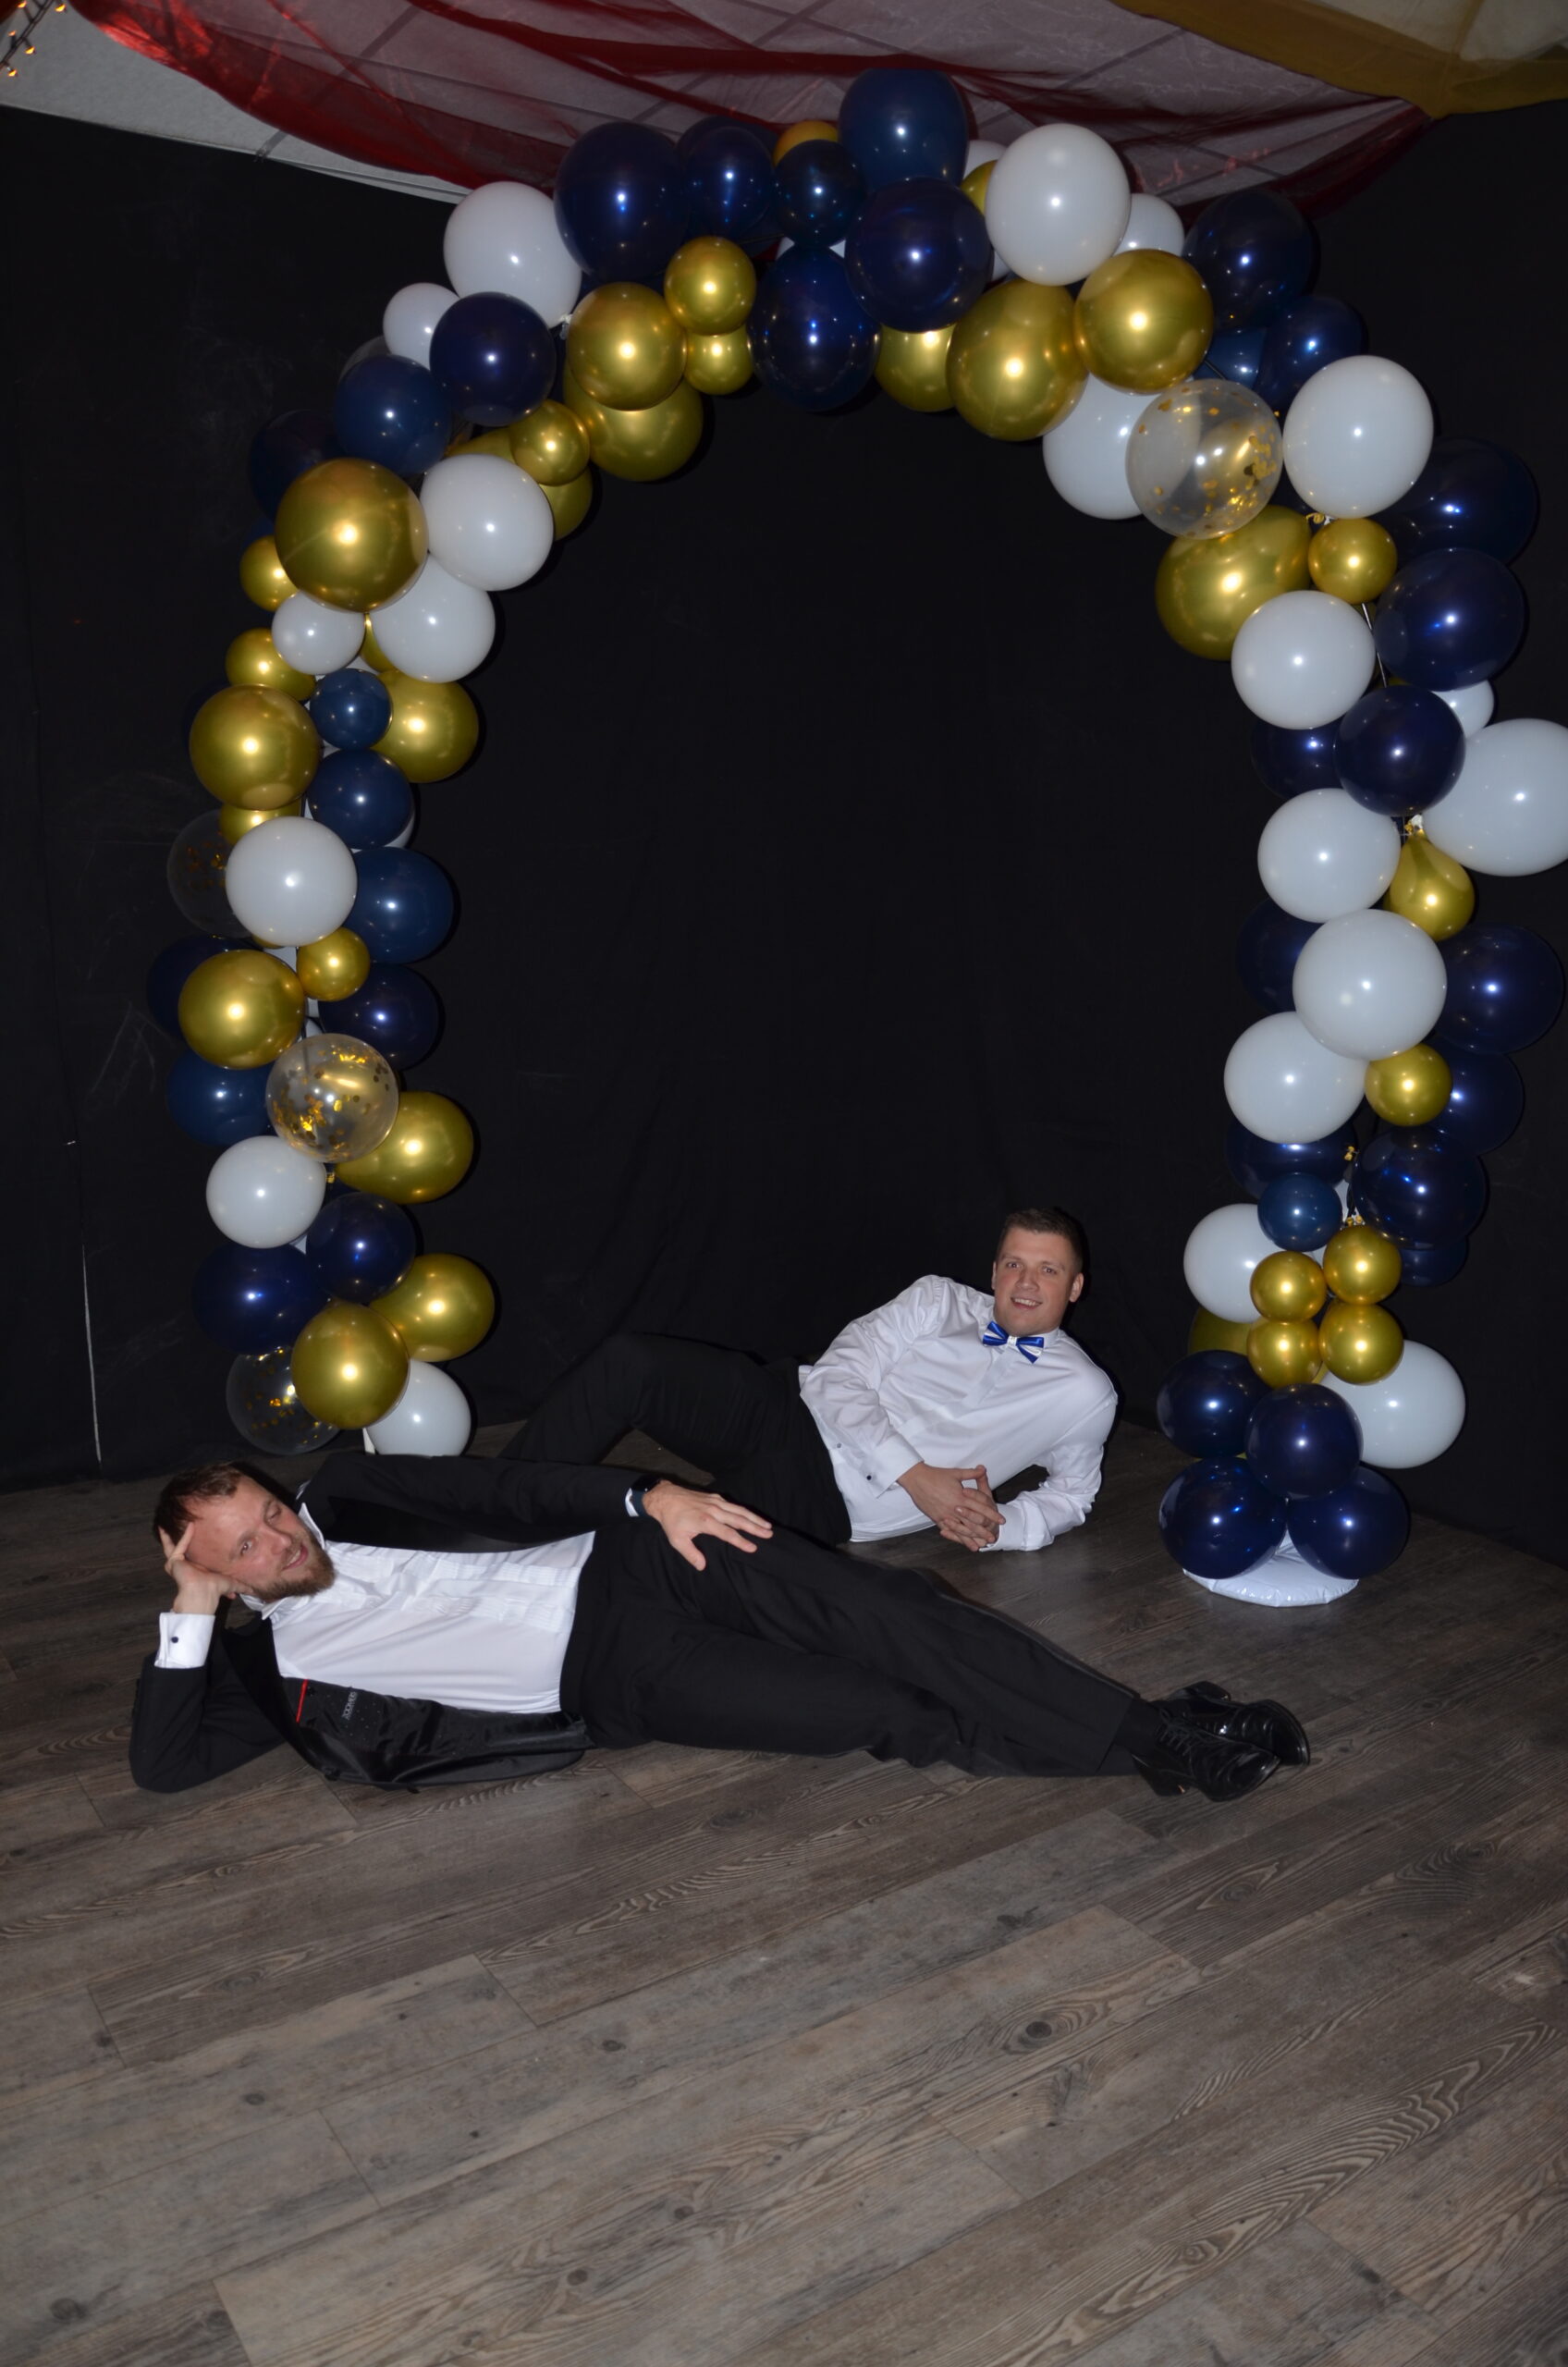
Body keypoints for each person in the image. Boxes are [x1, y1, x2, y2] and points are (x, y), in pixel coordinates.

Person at [129, 1448, 1309, 1805]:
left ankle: (1159, 1740)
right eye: (249, 1546)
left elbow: (507, 1488)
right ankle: (1151, 1739)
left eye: (270, 1511)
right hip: (614, 1673)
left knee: (883, 1607)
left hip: (634, 1557)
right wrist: (188, 1613)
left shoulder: (347, 1493)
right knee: (882, 1709)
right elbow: (163, 1765)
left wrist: (650, 1497)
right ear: (212, 1575)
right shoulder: (270, 1663)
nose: (283, 1537)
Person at [506, 1208, 1116, 1558]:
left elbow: (1073, 1494)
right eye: (1014, 1264)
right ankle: (485, 1504)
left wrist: (1000, 1526)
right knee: (629, 1362)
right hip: (788, 1408)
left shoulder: (1084, 1394)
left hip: (828, 1496)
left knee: (668, 1545)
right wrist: (915, 1476)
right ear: (995, 1270)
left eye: (1048, 1269)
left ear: (1076, 1287)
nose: (1026, 1282)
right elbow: (836, 1376)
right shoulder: (937, 1299)